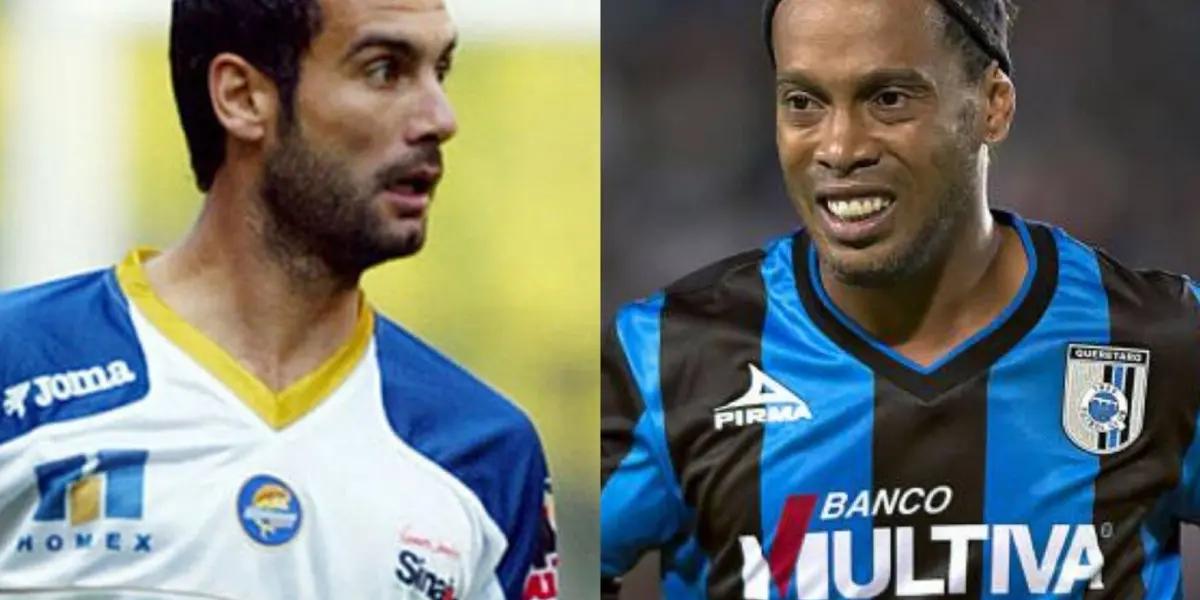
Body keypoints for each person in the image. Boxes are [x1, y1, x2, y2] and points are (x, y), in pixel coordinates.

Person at [601, 0, 1200, 597]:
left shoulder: (1159, 341)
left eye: (888, 99)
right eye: (803, 102)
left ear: (993, 105)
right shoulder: (665, 359)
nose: (840, 148)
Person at [0, 0, 558, 598]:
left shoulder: (486, 452)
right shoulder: (21, 369)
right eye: (384, 70)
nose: (440, 118)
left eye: (439, 70)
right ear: (242, 97)